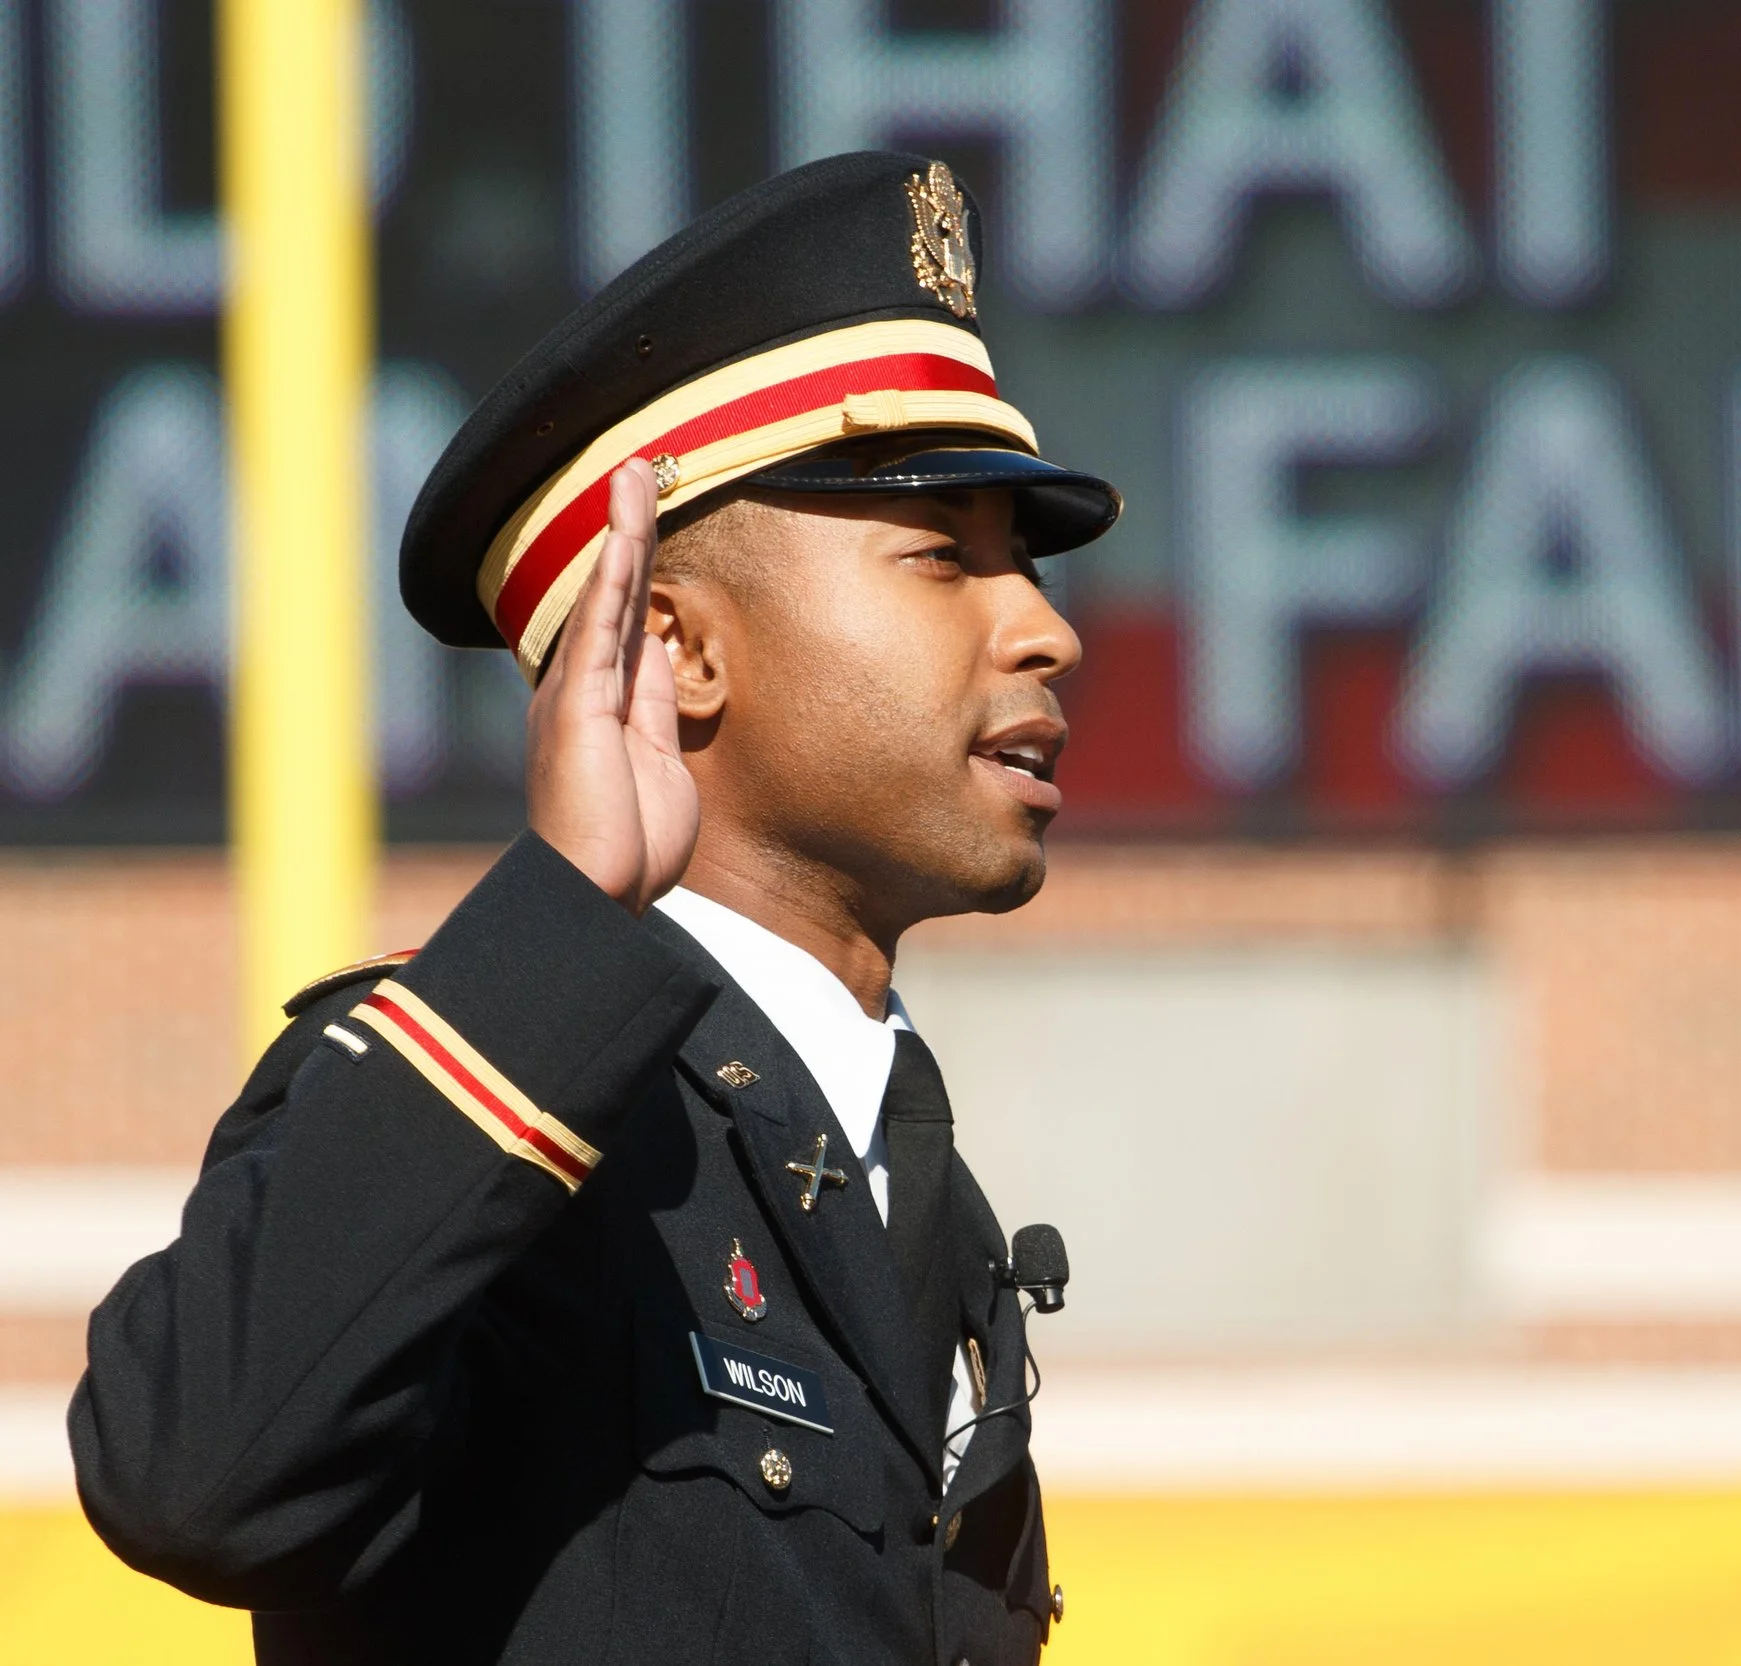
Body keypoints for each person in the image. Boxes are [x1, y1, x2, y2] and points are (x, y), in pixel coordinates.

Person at [69, 151, 1115, 1666]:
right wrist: (560, 914)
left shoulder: (905, 1179)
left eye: (1023, 565)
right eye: (941, 555)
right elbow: (192, 1472)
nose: (1044, 628)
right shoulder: (496, 1087)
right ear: (678, 651)